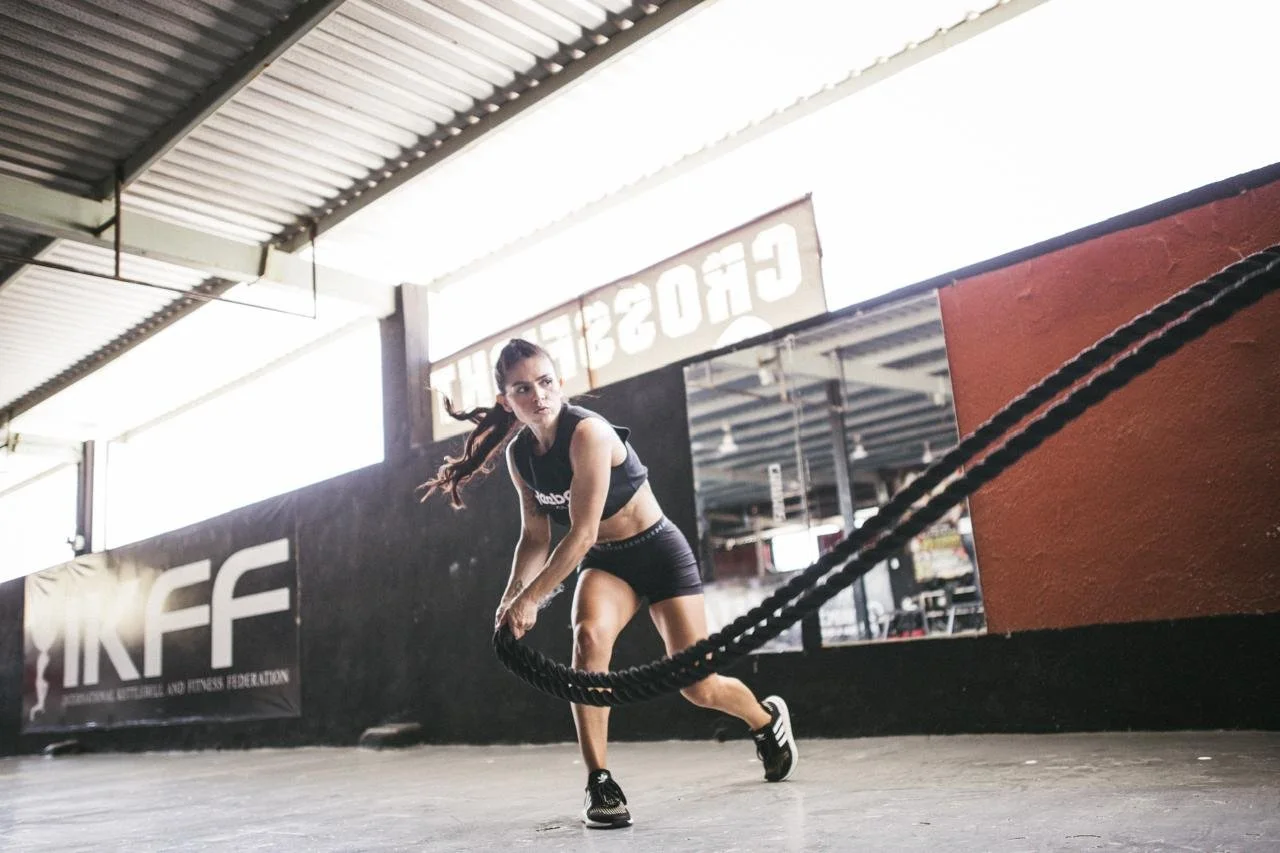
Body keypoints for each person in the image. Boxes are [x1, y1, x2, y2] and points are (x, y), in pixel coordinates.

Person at [422, 338, 797, 829]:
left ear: (559, 381)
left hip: (658, 552)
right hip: (609, 563)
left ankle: (766, 722)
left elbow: (579, 535)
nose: (538, 395)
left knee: (698, 686)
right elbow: (534, 537)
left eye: (546, 381)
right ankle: (599, 780)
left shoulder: (589, 435)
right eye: (522, 388)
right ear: (506, 400)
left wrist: (533, 599)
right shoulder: (521, 456)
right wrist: (510, 598)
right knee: (588, 640)